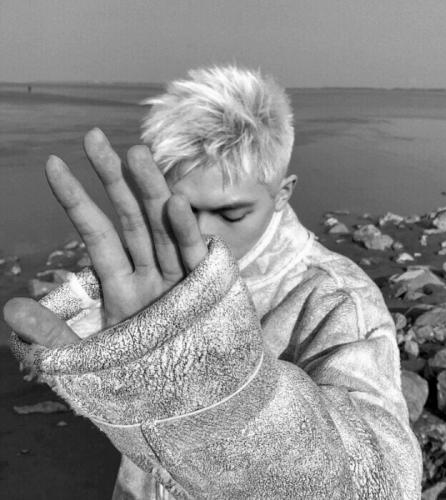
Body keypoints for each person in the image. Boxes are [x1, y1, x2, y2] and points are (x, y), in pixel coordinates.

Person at [4, 65, 422, 499]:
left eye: (231, 214)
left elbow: (386, 482)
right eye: (181, 209)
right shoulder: (147, 279)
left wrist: (216, 407)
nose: (201, 234)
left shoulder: (335, 299)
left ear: (283, 192)